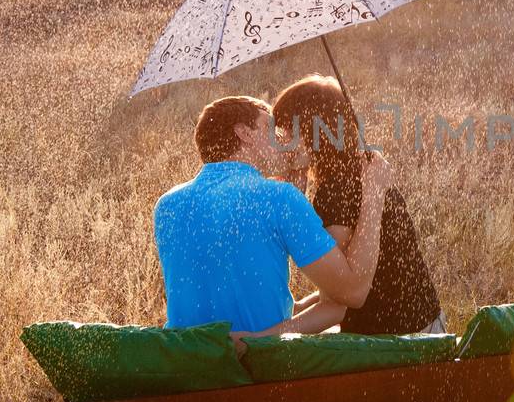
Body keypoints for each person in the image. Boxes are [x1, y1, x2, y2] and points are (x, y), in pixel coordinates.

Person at [153, 95, 392, 333]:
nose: (280, 140)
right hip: (255, 365)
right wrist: (374, 192)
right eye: (270, 127)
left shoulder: (167, 206)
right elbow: (353, 292)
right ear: (244, 133)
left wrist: (294, 188)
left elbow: (247, 290)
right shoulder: (278, 199)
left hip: (187, 361)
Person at [261, 74, 446, 335]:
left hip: (393, 344)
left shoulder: (336, 189)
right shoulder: (362, 170)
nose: (283, 143)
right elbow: (348, 284)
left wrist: (259, 338)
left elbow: (341, 298)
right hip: (426, 325)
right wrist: (296, 306)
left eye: (289, 131)